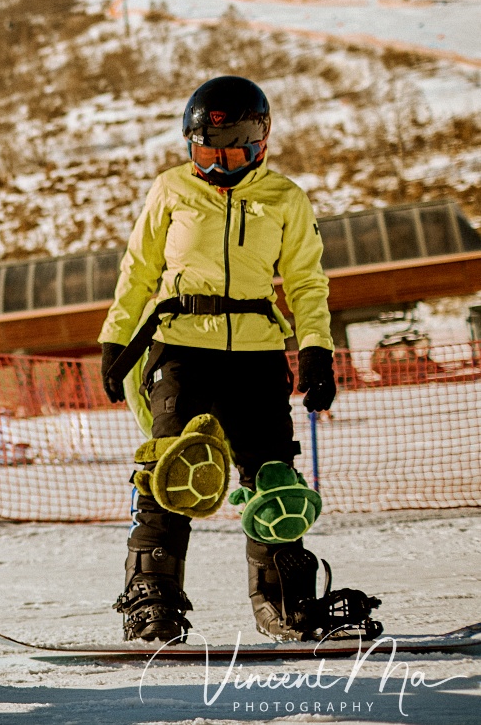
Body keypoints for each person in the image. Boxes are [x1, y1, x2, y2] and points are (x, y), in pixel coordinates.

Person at [97, 76, 380, 644]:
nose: (219, 164)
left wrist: (317, 349)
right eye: (205, 151)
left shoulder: (285, 198)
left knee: (272, 481)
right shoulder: (170, 191)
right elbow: (138, 272)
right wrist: (115, 340)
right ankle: (153, 602)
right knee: (169, 471)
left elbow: (305, 281)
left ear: (260, 143)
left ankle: (286, 602)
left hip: (256, 352)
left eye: (232, 152)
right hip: (180, 345)